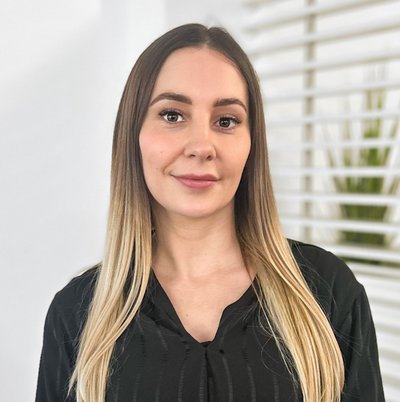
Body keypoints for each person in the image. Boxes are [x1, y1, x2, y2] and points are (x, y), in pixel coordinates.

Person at [35, 23, 385, 402]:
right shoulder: (76, 314)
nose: (202, 146)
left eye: (226, 121)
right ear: (133, 136)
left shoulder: (327, 293)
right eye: (172, 115)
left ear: (251, 144)